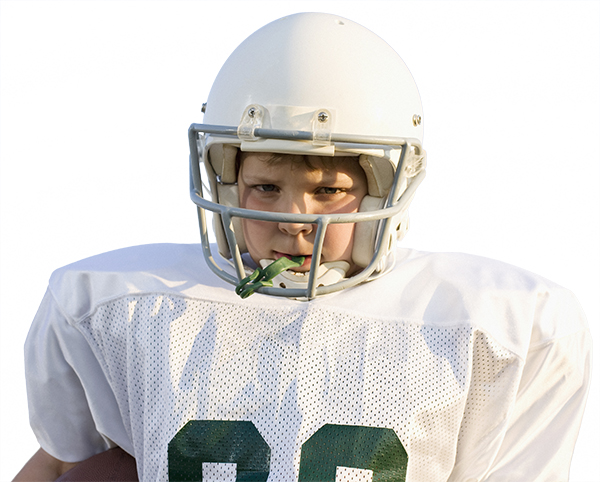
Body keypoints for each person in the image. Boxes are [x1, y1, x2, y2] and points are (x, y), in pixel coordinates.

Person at [14, 12, 591, 482]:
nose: (295, 217)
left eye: (329, 190)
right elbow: (67, 461)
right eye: (266, 187)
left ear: (386, 187)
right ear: (224, 177)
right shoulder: (116, 304)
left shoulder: (497, 328)